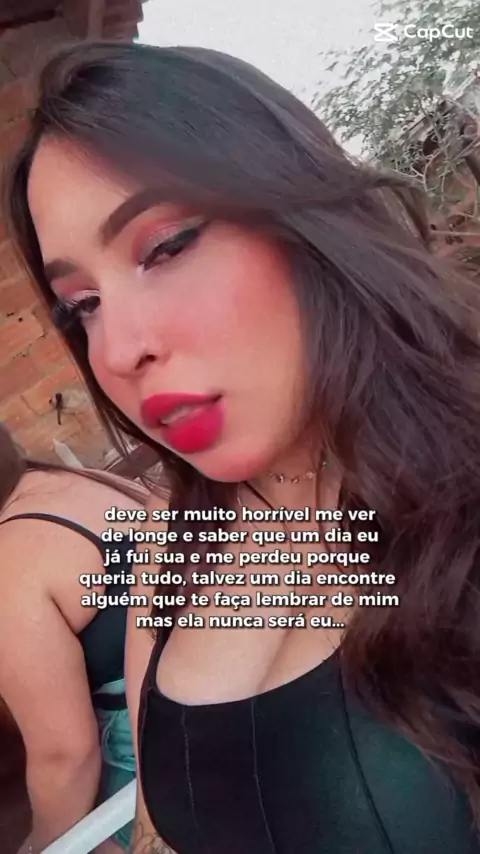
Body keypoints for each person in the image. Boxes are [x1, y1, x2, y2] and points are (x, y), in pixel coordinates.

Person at [5, 40, 480, 854]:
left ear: (303, 220)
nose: (118, 349)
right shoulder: (175, 557)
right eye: (82, 305)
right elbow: (157, 831)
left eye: (166, 247)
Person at [0, 423, 147, 854]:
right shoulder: (70, 481)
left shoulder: (11, 561)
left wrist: (45, 844)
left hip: (162, 745)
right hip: (221, 687)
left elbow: (65, 755)